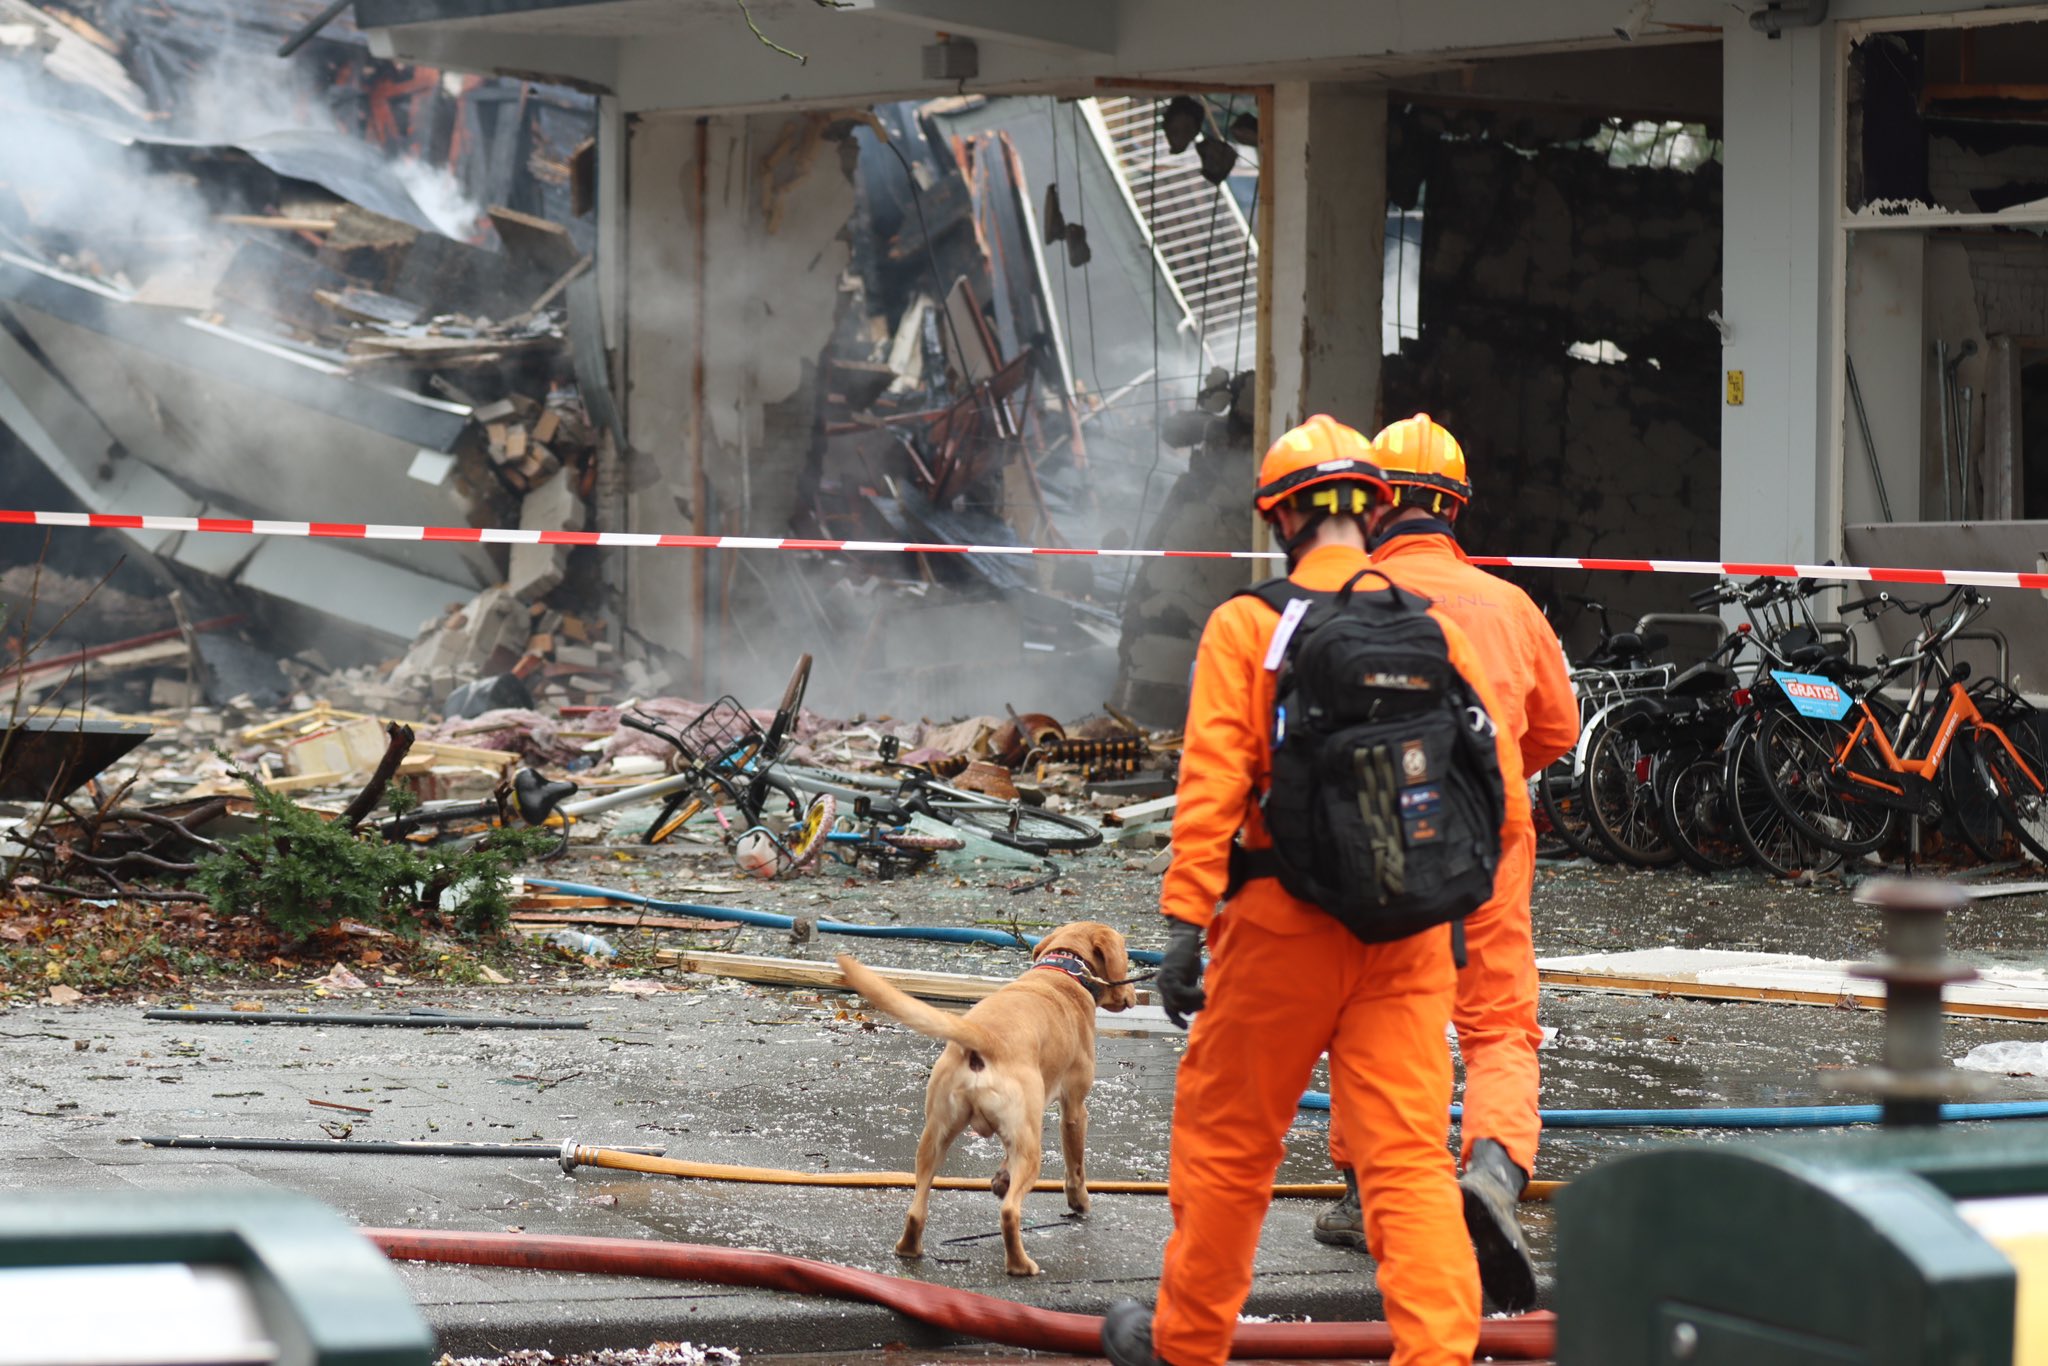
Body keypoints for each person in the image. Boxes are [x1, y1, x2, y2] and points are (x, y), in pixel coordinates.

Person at [1102, 415, 1511, 1366]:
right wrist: (1459, 919)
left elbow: (1211, 788)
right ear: (1372, 511)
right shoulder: (1430, 629)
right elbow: (1492, 795)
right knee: (1407, 1165)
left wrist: (1181, 926)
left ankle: (1186, 1344)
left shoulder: (1251, 626)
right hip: (1409, 938)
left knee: (1230, 1153)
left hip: (1279, 933)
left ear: (1282, 519)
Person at [1311, 413, 1577, 1315]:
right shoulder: (1510, 604)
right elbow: (1557, 730)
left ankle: (1366, 1192)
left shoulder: (1344, 595)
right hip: (1492, 828)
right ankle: (1494, 1174)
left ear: (1377, 503)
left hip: (1382, 827)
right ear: (1457, 509)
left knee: (1378, 1006)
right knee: (1499, 1022)